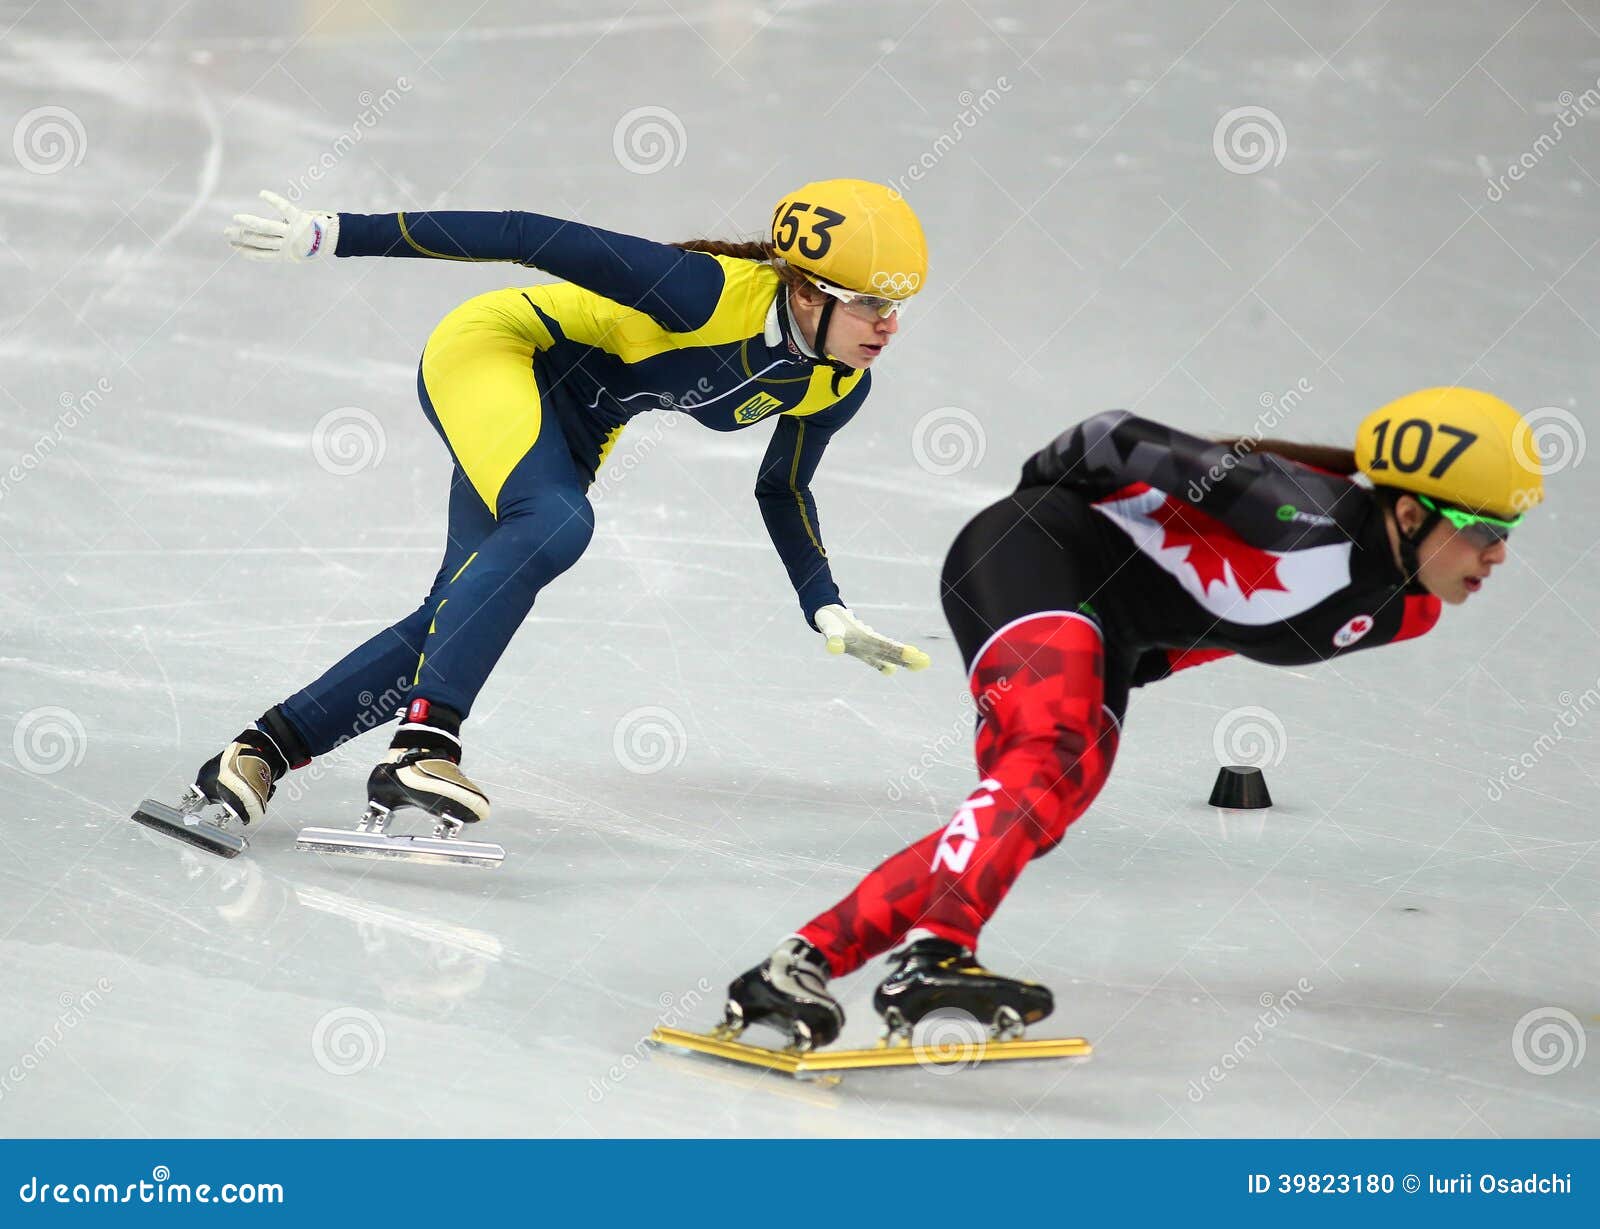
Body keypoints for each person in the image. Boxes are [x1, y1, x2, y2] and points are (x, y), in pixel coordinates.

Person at [722, 387, 1546, 1049]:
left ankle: (799, 965)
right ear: (1409, 513)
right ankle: (934, 956)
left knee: (1042, 803)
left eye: (1507, 533)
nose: (1498, 554)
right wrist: (1038, 504)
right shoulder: (1297, 510)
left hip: (1110, 629)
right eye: (1483, 530)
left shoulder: (1407, 612)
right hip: (1032, 555)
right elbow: (1107, 437)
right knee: (1048, 755)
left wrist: (1144, 659)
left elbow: (1245, 621)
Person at [139, 179, 933, 855]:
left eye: (898, 304)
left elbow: (783, 489)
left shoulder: (835, 383)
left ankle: (257, 755)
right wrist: (335, 234)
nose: (889, 325)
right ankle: (426, 743)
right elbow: (526, 234)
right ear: (805, 289)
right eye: (870, 302)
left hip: (578, 428)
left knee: (456, 615)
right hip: (498, 352)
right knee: (558, 525)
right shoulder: (703, 289)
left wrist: (824, 601)